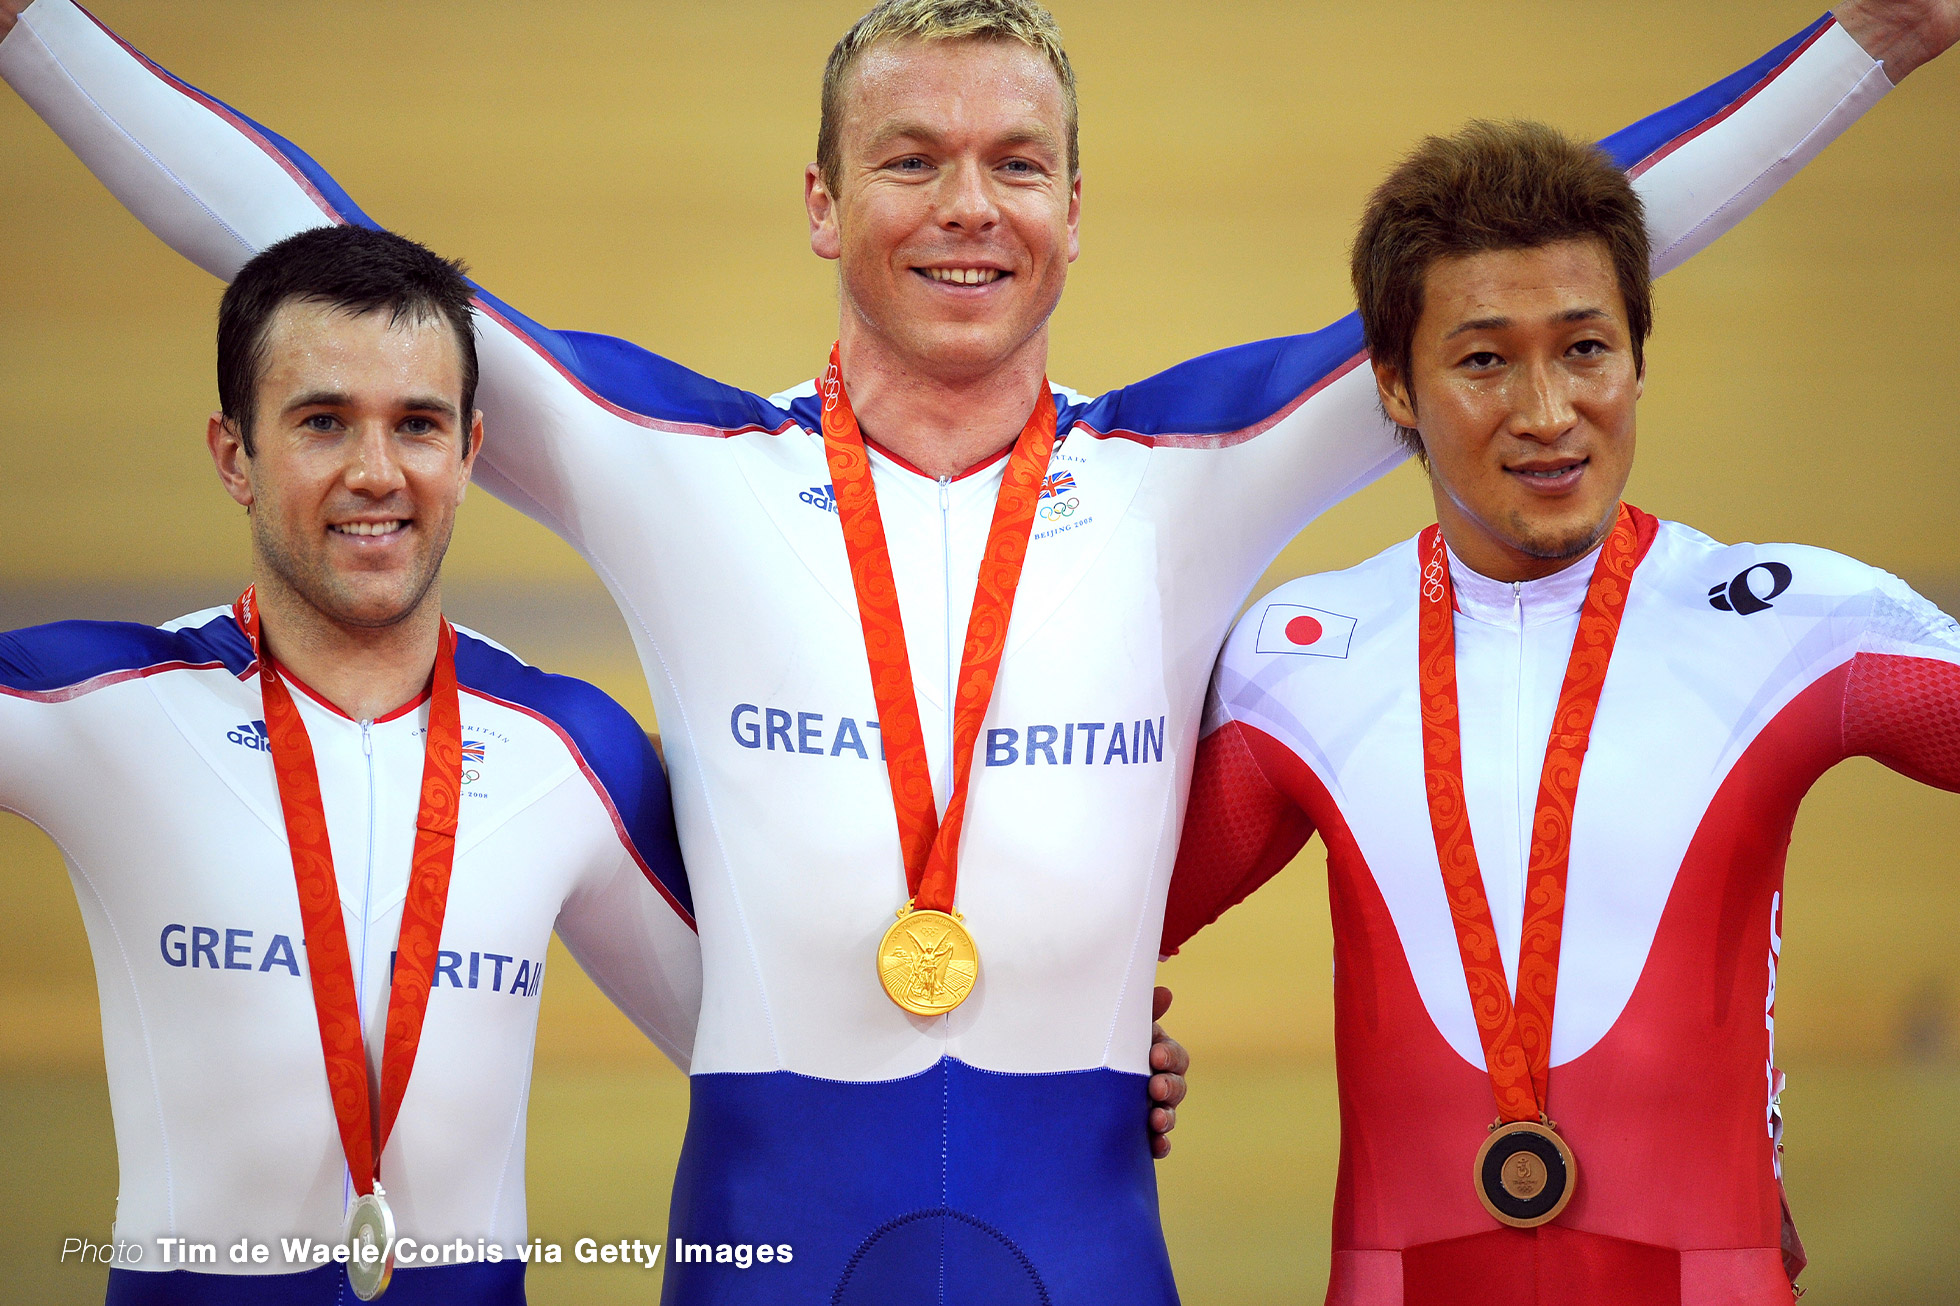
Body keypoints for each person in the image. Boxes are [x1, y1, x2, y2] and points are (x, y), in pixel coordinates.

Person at [0, 0, 1952, 1301]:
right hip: (765, 1227)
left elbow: (1531, 263)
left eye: (1014, 161)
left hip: (1077, 1229)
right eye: (911, 157)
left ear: (1076, 212)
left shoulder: (1197, 473)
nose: (966, 204)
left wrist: (1853, 49)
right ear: (821, 202)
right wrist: (39, 32)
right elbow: (309, 242)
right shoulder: (661, 463)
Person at [1164, 120, 1959, 1304]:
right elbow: (1097, 925)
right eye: (1484, 360)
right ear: (1394, 383)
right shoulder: (1301, 654)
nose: (1547, 412)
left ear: (1638, 356)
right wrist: (1084, 1054)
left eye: (1585, 348)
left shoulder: (1792, 622)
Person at [0, 224, 703, 1302]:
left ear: (468, 455)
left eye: (416, 424)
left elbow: (766, 1033)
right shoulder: (101, 708)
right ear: (235, 454)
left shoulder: (571, 747)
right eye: (323, 421)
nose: (376, 472)